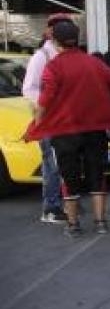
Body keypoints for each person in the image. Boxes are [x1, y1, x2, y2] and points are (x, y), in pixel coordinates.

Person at [24, 21, 110, 238]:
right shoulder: (95, 63)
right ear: (77, 39)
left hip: (65, 131)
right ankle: (100, 222)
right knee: (97, 174)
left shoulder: (54, 66)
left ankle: (73, 225)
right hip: (95, 128)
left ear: (55, 41)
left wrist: (36, 124)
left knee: (69, 177)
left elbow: (45, 99)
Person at [22, 13, 73, 224]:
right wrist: (46, 105)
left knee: (63, 164)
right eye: (62, 27)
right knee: (52, 165)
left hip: (67, 119)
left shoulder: (67, 53)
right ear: (50, 31)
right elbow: (29, 88)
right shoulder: (42, 56)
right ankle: (51, 208)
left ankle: (64, 203)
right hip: (49, 120)